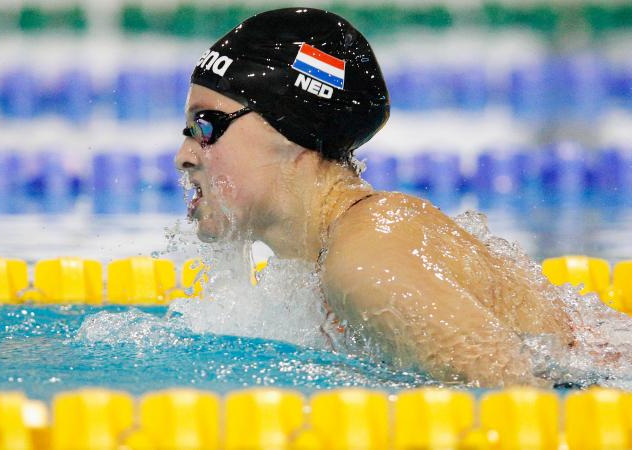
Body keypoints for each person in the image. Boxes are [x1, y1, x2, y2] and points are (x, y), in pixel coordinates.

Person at [174, 7, 576, 387]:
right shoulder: (327, 259)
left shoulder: (367, 260)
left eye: (205, 126)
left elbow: (526, 404)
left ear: (288, 131)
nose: (184, 157)